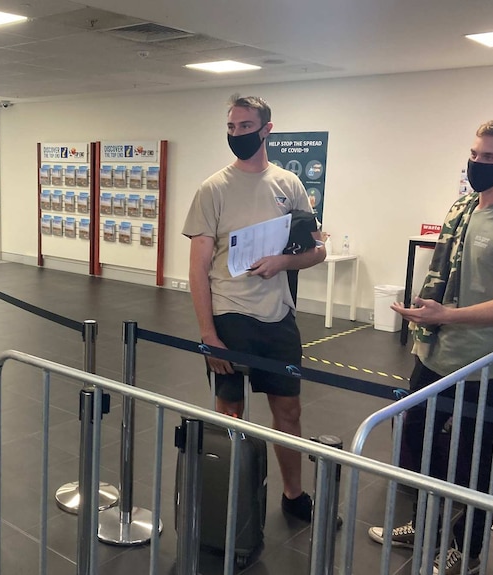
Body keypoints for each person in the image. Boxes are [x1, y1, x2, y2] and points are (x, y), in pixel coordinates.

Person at [368, 119, 493, 575]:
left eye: (490, 158)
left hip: (481, 367)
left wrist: (443, 315)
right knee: (415, 445)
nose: (477, 164)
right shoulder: (463, 208)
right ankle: (421, 526)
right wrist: (428, 313)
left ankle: (465, 552)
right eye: (474, 154)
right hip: (432, 356)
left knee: (476, 462)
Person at [183, 94, 326, 522]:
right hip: (230, 314)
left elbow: (316, 250)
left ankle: (293, 495)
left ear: (266, 129)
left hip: (278, 315)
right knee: (230, 410)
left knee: (288, 409)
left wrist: (285, 261)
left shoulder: (289, 184)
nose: (237, 134)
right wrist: (208, 333)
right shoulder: (213, 189)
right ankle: (227, 496)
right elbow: (198, 268)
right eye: (231, 127)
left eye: (246, 127)